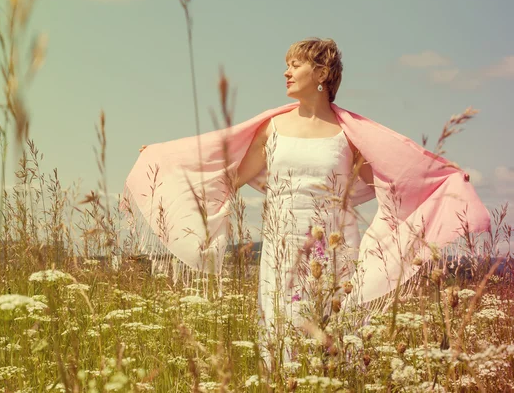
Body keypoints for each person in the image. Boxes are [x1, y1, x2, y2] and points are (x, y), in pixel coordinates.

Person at [129, 37, 490, 366]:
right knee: (285, 333)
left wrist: (443, 176)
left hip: (334, 248)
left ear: (322, 73)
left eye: (295, 64)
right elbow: (229, 179)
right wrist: (167, 158)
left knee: (337, 336)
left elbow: (393, 182)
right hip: (283, 246)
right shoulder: (272, 128)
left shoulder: (348, 134)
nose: (286, 72)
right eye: (287, 64)